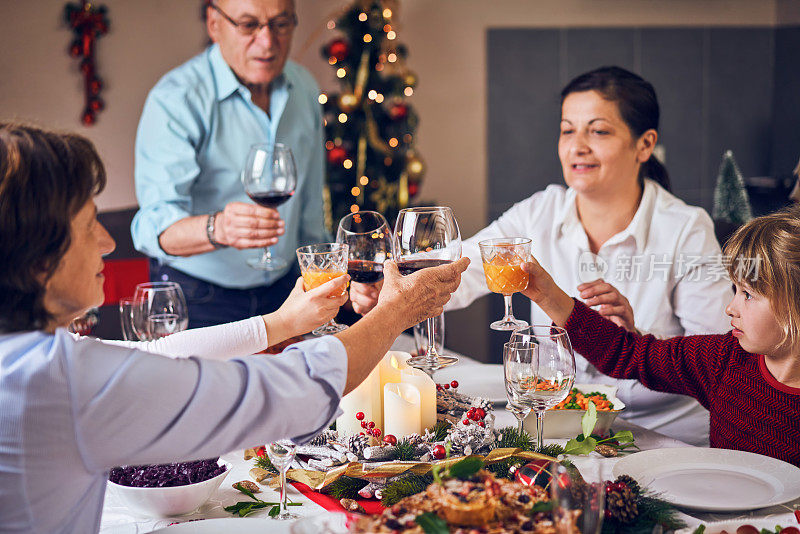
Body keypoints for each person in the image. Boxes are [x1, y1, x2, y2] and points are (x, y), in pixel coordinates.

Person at [0, 123, 469, 533]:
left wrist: (279, 323)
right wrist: (394, 313)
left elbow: (154, 358)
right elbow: (293, 390)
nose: (107, 242)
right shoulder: (60, 380)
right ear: (39, 261)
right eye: (88, 227)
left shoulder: (28, 356)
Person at [351, 66, 732, 446]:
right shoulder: (539, 212)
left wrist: (636, 340)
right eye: (568, 130)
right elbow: (461, 267)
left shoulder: (685, 229)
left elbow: (720, 361)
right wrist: (391, 288)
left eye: (598, 131)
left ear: (644, 145)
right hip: (560, 429)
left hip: (666, 438)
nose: (577, 146)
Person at [519, 205, 800, 465]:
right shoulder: (723, 358)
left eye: (748, 294)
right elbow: (627, 353)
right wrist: (547, 295)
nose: (731, 307)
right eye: (735, 290)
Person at [131, 0, 328, 328]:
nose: (267, 42)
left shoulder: (304, 86)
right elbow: (152, 227)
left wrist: (324, 277)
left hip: (286, 288)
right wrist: (218, 228)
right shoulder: (175, 99)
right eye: (249, 25)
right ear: (214, 23)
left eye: (280, 24)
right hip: (199, 297)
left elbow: (310, 214)